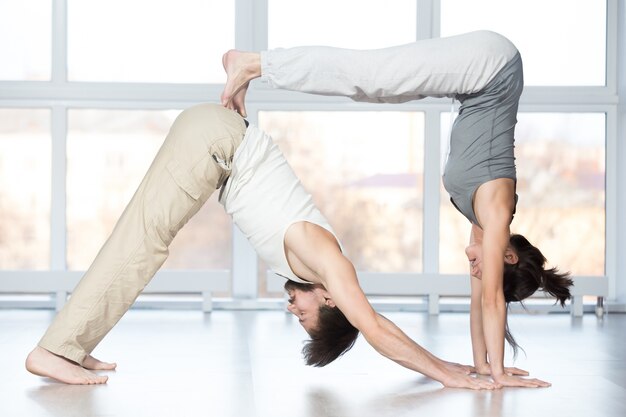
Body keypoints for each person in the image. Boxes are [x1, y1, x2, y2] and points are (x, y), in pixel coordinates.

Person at [25, 103, 495, 389]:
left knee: (144, 242)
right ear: (332, 299)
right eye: (307, 317)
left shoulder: (319, 268)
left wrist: (444, 362)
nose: (293, 313)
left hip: (219, 139)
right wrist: (446, 375)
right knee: (142, 242)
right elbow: (372, 325)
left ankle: (72, 345)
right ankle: (53, 350)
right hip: (215, 143)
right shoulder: (327, 261)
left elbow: (372, 319)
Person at [220, 30, 573, 388]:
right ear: (507, 257)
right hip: (494, 68)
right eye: (485, 268)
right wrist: (500, 373)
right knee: (370, 78)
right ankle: (253, 63)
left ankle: (254, 67)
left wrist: (483, 368)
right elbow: (492, 301)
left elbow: (480, 302)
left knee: (374, 91)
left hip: (477, 81)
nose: (474, 270)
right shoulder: (496, 211)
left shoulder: (479, 219)